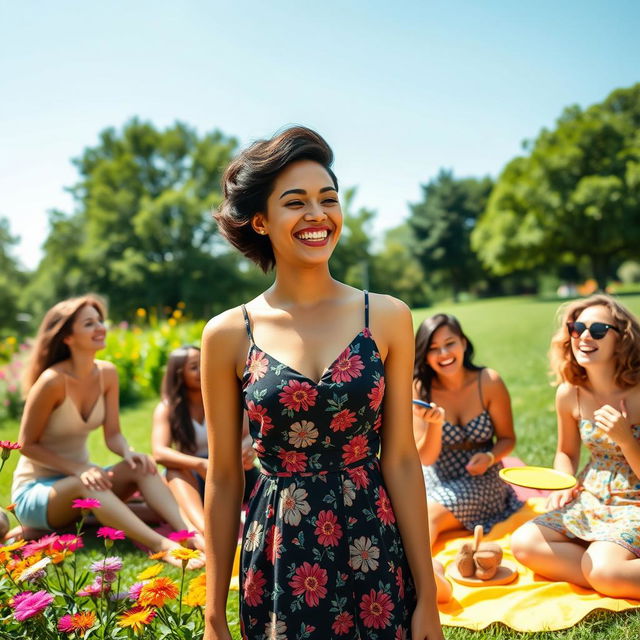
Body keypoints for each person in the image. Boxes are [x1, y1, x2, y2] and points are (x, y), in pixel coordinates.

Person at [202, 127, 443, 640]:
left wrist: (427, 594)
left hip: (372, 540)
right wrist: (212, 614)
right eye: (296, 202)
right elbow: (223, 478)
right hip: (280, 553)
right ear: (261, 221)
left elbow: (400, 458)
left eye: (328, 199)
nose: (317, 214)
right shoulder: (226, 334)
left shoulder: (387, 316)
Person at [11, 295, 203, 569]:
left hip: (84, 480)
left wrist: (128, 452)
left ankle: (193, 536)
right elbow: (26, 445)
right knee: (88, 482)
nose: (101, 327)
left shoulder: (107, 374)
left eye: (100, 320)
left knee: (142, 466)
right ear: (67, 337)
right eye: (89, 323)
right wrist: (78, 468)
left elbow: (112, 434)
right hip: (38, 492)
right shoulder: (52, 381)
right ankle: (162, 545)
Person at [511, 295, 640, 598]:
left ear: (622, 340)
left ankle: (605, 570)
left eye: (598, 330)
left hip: (634, 501)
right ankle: (602, 570)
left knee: (604, 570)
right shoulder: (570, 394)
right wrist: (561, 484)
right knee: (524, 543)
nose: (584, 336)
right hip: (592, 497)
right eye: (577, 327)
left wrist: (626, 439)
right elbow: (566, 453)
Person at [413, 314, 522, 546]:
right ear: (425, 355)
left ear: (463, 343)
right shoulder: (420, 389)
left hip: (483, 477)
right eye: (434, 348)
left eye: (449, 343)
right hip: (436, 475)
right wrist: (434, 424)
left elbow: (507, 439)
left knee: (425, 516)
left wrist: (490, 457)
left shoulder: (489, 381)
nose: (444, 354)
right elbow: (426, 457)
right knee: (398, 515)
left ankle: (418, 579)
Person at [151, 345, 259, 534]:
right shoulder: (167, 409)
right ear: (178, 375)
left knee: (159, 501)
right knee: (173, 472)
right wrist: (202, 465)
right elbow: (159, 452)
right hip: (196, 479)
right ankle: (206, 531)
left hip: (232, 474)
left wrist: (245, 447)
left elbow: (250, 433)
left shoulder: (224, 399)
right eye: (193, 367)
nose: (201, 370)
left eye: (202, 363)